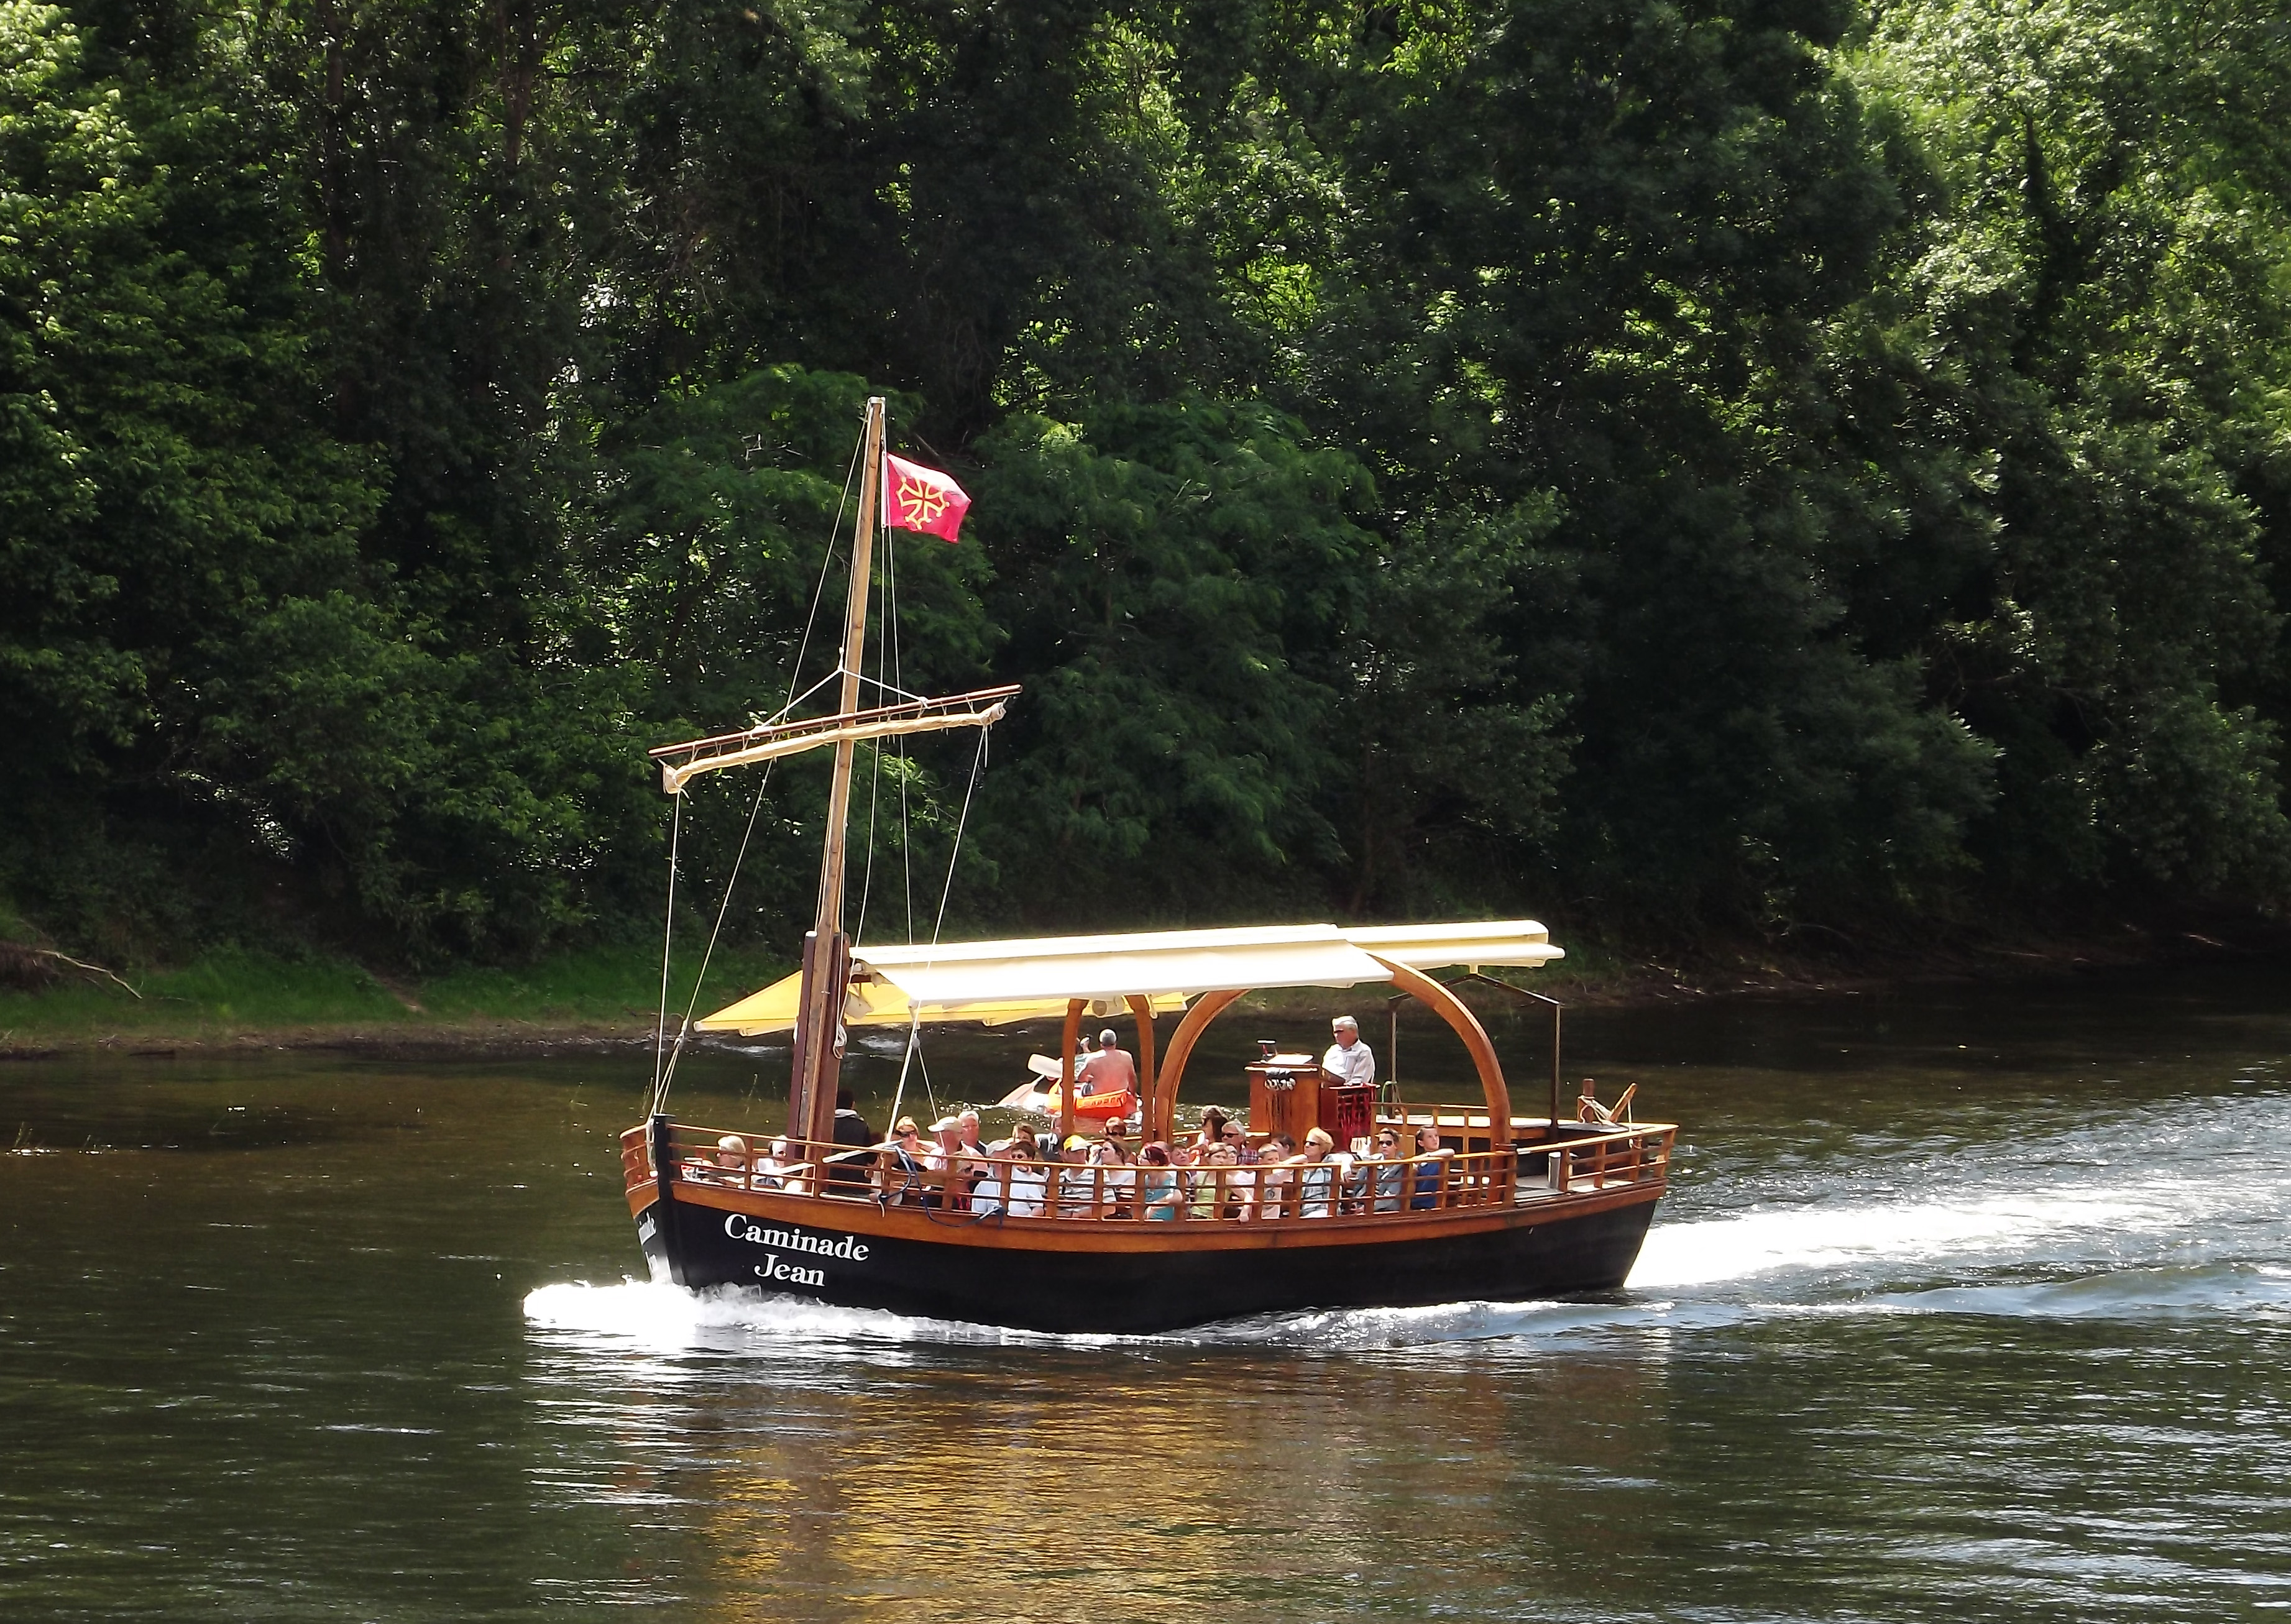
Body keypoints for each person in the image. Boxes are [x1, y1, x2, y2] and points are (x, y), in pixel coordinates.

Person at [827, 1087, 875, 1190]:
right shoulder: (862, 1126)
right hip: (856, 1183)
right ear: (853, 1104)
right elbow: (872, 1157)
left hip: (828, 1181)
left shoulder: (826, 1124)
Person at [1075, 1028, 1138, 1100]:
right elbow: (1132, 1079)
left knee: (1084, 1087)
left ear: (1101, 1044)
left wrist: (1089, 1079)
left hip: (1099, 1094)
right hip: (1119, 1094)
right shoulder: (1127, 1056)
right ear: (1115, 1043)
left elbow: (1080, 1078)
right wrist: (1133, 1095)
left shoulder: (1092, 1058)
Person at [1297, 1127, 1341, 1218]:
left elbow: (1344, 1158)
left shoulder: (1331, 1163)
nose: (1307, 1146)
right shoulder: (1301, 1166)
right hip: (1303, 1212)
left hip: (1324, 1210)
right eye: (1306, 1142)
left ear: (1323, 1149)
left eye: (1312, 1144)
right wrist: (1298, 1158)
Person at [1321, 1016, 1376, 1090]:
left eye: (1340, 1032)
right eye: (1335, 1032)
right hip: (1326, 1092)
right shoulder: (1332, 1051)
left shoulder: (1363, 1051)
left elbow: (1358, 1082)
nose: (1336, 1035)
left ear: (1353, 1031)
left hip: (1349, 1096)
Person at [1004, 1129, 1048, 1218]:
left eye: (1020, 1157)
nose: (1016, 1159)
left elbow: (1038, 1206)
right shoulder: (1006, 1172)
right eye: (1013, 1157)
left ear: (1030, 1159)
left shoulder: (1038, 1178)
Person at [1092, 1132, 1136, 1218]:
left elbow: (1125, 1203)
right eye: (1101, 1150)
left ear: (1119, 1154)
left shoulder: (1130, 1173)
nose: (1102, 1153)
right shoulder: (1100, 1171)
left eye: (1106, 1150)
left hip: (1119, 1216)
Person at [1411, 1121, 1453, 1209]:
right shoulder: (1418, 1159)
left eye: (1436, 1136)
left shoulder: (1442, 1155)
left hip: (1434, 1203)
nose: (1435, 1139)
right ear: (1421, 1143)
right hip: (1417, 1203)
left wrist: (1429, 1155)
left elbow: (1451, 1151)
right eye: (1430, 1137)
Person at [1139, 1142, 1184, 1221]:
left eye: (1144, 1158)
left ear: (1156, 1163)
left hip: (1164, 1223)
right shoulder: (1145, 1178)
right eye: (1139, 1157)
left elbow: (1177, 1196)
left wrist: (1155, 1205)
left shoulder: (1165, 1177)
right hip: (1147, 1222)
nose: (1139, 1161)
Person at [1257, 1132, 1297, 1218]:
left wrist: (1282, 1164)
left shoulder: (1279, 1176)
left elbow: (1303, 1158)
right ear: (1260, 1161)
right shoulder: (1253, 1177)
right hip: (1257, 1218)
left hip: (1274, 1219)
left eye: (1276, 1159)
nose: (1274, 1162)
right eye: (1270, 1160)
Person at [1367, 1127, 1406, 1212]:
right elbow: (1358, 1185)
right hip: (1364, 1206)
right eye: (1381, 1143)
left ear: (1396, 1146)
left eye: (1388, 1143)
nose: (1384, 1146)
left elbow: (1389, 1197)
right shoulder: (1371, 1161)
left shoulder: (1400, 1167)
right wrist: (1355, 1202)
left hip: (1385, 1210)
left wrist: (1367, 1208)